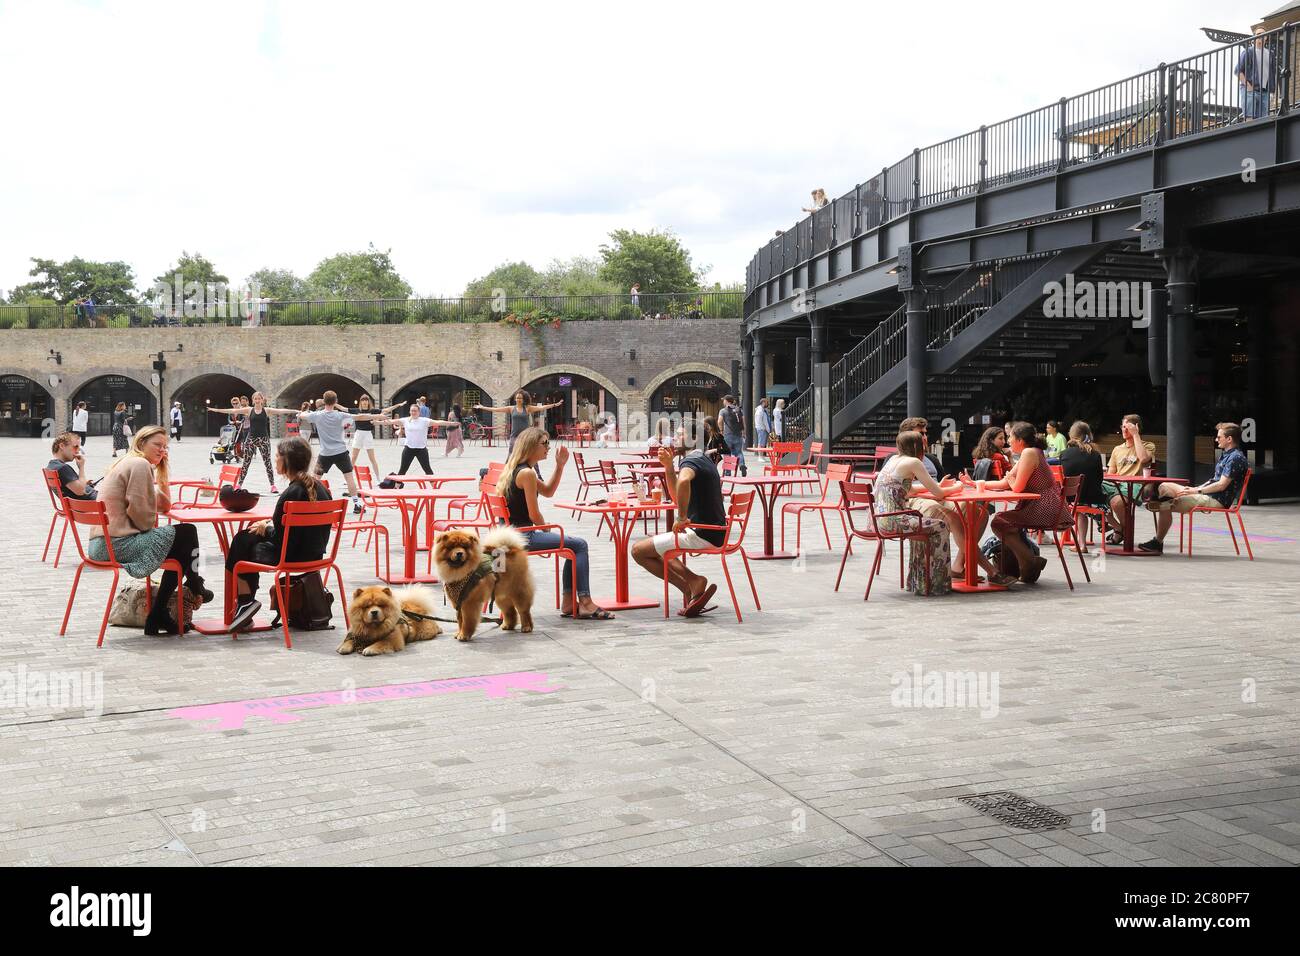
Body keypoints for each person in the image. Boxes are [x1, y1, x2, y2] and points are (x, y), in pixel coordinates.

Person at [90, 425, 212, 635]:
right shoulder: (138, 464)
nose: (162, 450)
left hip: (103, 544)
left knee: (181, 544)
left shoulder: (130, 462)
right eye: (157, 445)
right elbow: (142, 516)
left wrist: (162, 471)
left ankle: (160, 613)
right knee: (187, 532)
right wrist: (148, 525)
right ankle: (191, 586)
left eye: (165, 447)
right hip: (116, 544)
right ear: (141, 443)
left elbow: (164, 506)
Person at [499, 427, 611, 620]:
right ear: (531, 446)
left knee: (571, 546)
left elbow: (548, 491)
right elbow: (534, 515)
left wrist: (559, 466)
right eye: (545, 443)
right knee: (579, 545)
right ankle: (584, 602)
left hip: (504, 535)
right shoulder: (527, 473)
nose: (548, 448)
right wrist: (545, 528)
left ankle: (569, 602)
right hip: (522, 535)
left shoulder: (517, 469)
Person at [225, 437, 335, 633]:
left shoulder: (291, 494)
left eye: (277, 456)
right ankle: (245, 604)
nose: (274, 459)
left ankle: (245, 601)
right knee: (248, 537)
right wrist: (267, 525)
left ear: (287, 461)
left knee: (242, 539)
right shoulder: (321, 489)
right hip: (316, 556)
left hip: (290, 557)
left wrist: (266, 528)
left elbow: (281, 539)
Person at [632, 444, 729, 616]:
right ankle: (692, 584)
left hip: (703, 533)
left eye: (680, 435)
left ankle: (691, 584)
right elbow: (677, 498)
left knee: (638, 551)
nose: (675, 440)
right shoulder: (704, 459)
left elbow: (683, 481)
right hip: (716, 532)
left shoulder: (691, 460)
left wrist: (682, 518)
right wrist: (669, 467)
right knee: (658, 549)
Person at [871, 430, 965, 594]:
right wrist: (958, 487)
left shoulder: (894, 459)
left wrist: (941, 487)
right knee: (941, 526)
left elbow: (911, 489)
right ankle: (937, 583)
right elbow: (939, 495)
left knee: (923, 523)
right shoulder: (913, 462)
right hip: (895, 520)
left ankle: (920, 582)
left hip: (880, 520)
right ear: (918, 446)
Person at [1139, 423, 1249, 554]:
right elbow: (1214, 479)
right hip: (1207, 494)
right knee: (1164, 486)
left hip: (1217, 499)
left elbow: (1221, 485)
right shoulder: (1226, 454)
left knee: (1165, 504)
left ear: (1229, 439)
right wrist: (1195, 488)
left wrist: (1196, 491)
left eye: (1219, 437)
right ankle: (1161, 501)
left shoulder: (1235, 458)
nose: (1216, 439)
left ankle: (1157, 541)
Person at [987, 422, 1064, 584]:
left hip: (1044, 508)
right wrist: (976, 484)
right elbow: (1004, 483)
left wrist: (1010, 479)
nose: (1008, 441)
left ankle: (1029, 561)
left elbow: (1017, 488)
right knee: (1003, 522)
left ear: (1020, 440)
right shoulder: (1030, 452)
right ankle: (1027, 563)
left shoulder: (1029, 453)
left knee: (998, 522)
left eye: (1010, 437)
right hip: (1045, 506)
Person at [299, 391, 393, 514]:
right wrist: (377, 416)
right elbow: (360, 417)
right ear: (335, 401)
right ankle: (357, 504)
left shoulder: (317, 415)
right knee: (349, 478)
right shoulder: (340, 415)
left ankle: (309, 503)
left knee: (315, 479)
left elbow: (302, 415)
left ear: (324, 401)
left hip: (325, 453)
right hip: (341, 452)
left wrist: (305, 411)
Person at [208, 392, 301, 492]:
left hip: (264, 440)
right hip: (251, 439)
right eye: (255, 399)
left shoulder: (267, 410)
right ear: (253, 400)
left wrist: (295, 410)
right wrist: (216, 410)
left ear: (262, 400)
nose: (257, 400)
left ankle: (272, 485)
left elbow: (280, 411)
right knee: (246, 463)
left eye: (259, 399)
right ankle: (239, 485)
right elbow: (233, 410)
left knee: (268, 463)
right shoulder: (249, 410)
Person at [1102, 413, 1156, 544]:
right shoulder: (1117, 449)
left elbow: (1143, 459)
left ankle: (1124, 533)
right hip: (1117, 484)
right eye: (1123, 427)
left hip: (1136, 484)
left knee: (1116, 502)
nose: (1124, 430)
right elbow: (1111, 473)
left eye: (1128, 427)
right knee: (1091, 494)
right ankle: (1119, 528)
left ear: (1136, 428)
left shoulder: (1148, 445)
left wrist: (1135, 435)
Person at [475, 390, 563, 452]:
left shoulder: (528, 408)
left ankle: (539, 475)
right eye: (517, 398)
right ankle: (508, 472)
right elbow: (496, 409)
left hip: (525, 435)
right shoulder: (511, 408)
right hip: (514, 435)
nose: (518, 400)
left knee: (530, 454)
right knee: (511, 452)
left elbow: (541, 407)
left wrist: (554, 404)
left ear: (523, 399)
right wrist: (483, 407)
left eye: (520, 398)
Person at [349, 394, 403, 476]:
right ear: (360, 402)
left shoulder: (373, 410)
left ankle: (378, 479)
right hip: (358, 434)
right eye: (363, 400)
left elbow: (386, 410)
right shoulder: (356, 410)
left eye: (366, 400)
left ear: (368, 402)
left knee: (372, 458)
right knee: (353, 457)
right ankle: (348, 478)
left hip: (368, 434)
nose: (364, 402)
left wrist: (398, 405)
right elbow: (343, 409)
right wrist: (331, 403)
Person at [1058, 420, 1106, 511]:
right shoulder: (1095, 454)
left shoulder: (1064, 454)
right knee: (1108, 493)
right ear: (1088, 435)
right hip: (1092, 499)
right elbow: (1100, 479)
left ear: (1071, 435)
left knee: (1080, 510)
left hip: (1069, 499)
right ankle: (1109, 523)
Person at [392, 404, 453, 474]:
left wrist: (451, 423)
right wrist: (378, 421)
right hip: (408, 448)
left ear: (419, 412)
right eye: (412, 411)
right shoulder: (405, 420)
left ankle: (434, 485)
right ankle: (397, 485)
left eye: (415, 411)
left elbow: (438, 422)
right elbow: (391, 421)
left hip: (421, 449)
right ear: (410, 411)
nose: (413, 412)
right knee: (402, 470)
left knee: (428, 470)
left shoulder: (424, 421)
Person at [1237, 27, 1274, 121]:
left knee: (1263, 120)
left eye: (1263, 34)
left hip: (1264, 92)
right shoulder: (1248, 51)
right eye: (1258, 34)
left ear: (1266, 37)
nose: (1260, 36)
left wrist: (1272, 90)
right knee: (1249, 118)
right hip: (1250, 89)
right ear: (1254, 37)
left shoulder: (1270, 53)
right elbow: (1238, 71)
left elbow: (1272, 72)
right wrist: (1248, 86)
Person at [47, 432, 96, 501]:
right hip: (96, 504)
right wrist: (81, 467)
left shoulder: (52, 466)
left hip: (81, 504)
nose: (78, 451)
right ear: (62, 446)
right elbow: (80, 491)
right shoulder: (62, 468)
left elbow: (73, 488)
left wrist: (85, 483)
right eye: (75, 447)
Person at [719, 394, 747, 476]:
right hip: (738, 435)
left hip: (727, 435)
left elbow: (719, 421)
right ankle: (742, 465)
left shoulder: (723, 411)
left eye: (724, 400)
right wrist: (744, 432)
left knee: (727, 452)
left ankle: (728, 471)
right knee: (739, 452)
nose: (723, 402)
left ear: (727, 401)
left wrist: (721, 431)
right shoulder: (739, 410)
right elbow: (743, 422)